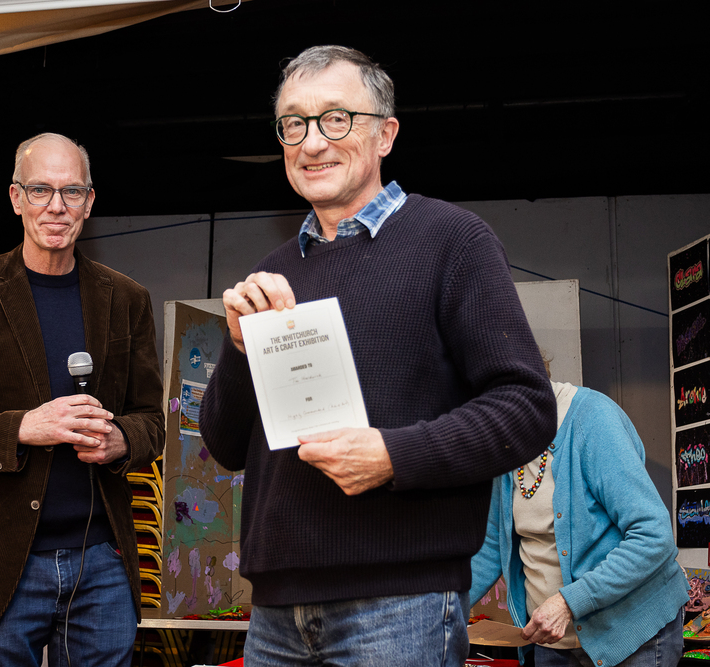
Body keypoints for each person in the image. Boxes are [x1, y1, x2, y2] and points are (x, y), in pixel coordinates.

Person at [199, 45, 557, 666]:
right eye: (293, 123)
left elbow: (526, 407)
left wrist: (394, 456)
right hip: (274, 616)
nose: (312, 142)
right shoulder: (271, 273)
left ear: (386, 134)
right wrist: (238, 350)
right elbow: (226, 446)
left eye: (336, 118)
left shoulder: (452, 241)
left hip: (401, 607)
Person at [0, 132, 164, 667]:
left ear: (89, 201)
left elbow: (152, 420)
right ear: (16, 198)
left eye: (71, 191)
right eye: (41, 190)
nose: (56, 206)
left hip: (101, 563)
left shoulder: (127, 299)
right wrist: (21, 428)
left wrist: (120, 440)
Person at [470, 364, 688, 667]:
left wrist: (568, 603)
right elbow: (492, 545)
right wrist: (442, 609)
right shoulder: (509, 443)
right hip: (553, 641)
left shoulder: (592, 420)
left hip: (630, 633)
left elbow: (654, 536)